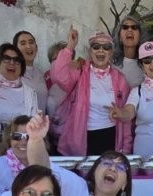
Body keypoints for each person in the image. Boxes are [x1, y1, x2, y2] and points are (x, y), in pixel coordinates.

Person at [51, 26, 133, 157]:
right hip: (81, 138)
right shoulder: (80, 71)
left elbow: (126, 116)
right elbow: (58, 76)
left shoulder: (120, 79)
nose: (101, 50)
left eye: (106, 47)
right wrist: (70, 46)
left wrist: (126, 147)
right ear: (90, 51)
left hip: (111, 136)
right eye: (96, 46)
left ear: (111, 52)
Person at [0, 43, 39, 126]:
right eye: (6, 58)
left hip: (19, 134)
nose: (12, 62)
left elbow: (32, 124)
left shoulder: (30, 93)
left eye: (16, 60)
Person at [14, 30, 50, 111]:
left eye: (31, 42)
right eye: (23, 43)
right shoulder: (13, 74)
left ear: (36, 48)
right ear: (15, 50)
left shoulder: (39, 74)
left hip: (41, 119)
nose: (28, 46)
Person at [113, 15, 146, 87]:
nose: (130, 30)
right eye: (125, 27)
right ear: (119, 38)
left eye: (134, 27)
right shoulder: (111, 63)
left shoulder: (147, 64)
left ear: (140, 37)